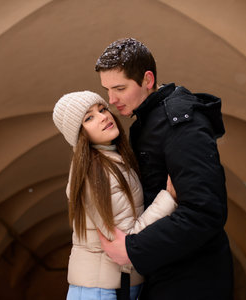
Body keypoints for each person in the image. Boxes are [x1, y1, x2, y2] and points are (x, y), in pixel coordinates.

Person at [95, 38, 234, 299]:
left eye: (120, 88)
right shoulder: (145, 124)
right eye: (107, 90)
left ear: (147, 80)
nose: (111, 100)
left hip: (193, 280)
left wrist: (132, 249)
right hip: (166, 271)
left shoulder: (181, 123)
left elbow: (205, 212)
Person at [52, 91, 178, 300]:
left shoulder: (113, 160)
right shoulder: (94, 172)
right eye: (89, 118)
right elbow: (126, 242)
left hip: (118, 285)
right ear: (79, 134)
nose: (103, 117)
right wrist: (168, 199)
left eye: (102, 109)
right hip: (100, 291)